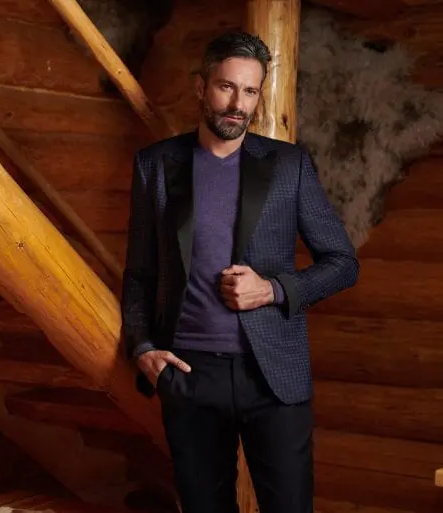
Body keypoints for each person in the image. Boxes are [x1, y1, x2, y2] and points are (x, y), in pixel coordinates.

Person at [120, 31, 359, 513]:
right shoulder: (156, 165)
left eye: (250, 91)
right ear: (201, 86)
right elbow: (140, 273)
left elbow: (342, 263)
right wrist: (143, 348)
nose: (238, 104)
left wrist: (272, 289)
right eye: (227, 87)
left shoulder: (289, 165)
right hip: (189, 374)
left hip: (273, 375)